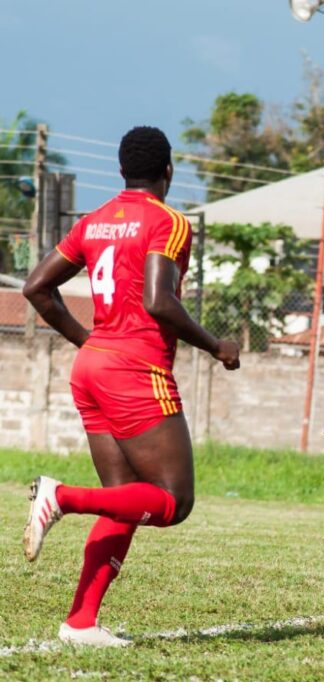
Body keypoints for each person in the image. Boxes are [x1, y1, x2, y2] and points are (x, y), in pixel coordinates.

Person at [22, 126, 240, 647]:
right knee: (173, 501)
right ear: (169, 171)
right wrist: (216, 346)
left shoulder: (95, 221)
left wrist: (88, 341)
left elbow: (36, 287)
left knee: (125, 499)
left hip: (94, 366)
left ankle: (79, 622)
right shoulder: (169, 221)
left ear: (122, 170)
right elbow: (160, 301)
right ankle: (62, 497)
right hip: (136, 370)